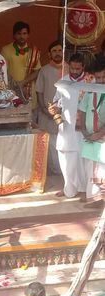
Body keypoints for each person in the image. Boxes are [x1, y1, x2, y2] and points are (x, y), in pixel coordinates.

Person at [49, 53, 90, 198]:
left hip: (83, 126)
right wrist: (54, 108)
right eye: (72, 68)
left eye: (77, 68)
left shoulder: (89, 81)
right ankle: (69, 189)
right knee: (66, 159)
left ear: (83, 67)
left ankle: (85, 189)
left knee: (82, 159)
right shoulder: (63, 82)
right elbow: (56, 101)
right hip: (66, 126)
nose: (74, 71)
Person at [36, 40, 67, 175]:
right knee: (48, 144)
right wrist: (43, 108)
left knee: (62, 144)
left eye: (59, 50)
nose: (57, 53)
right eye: (54, 51)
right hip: (46, 113)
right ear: (49, 54)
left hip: (65, 114)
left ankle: (61, 171)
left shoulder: (69, 69)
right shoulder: (44, 70)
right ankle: (50, 171)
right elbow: (39, 91)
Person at [78, 54, 105, 208]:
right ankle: (94, 198)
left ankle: (101, 199)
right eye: (98, 77)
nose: (101, 81)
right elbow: (82, 111)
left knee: (102, 170)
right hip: (89, 137)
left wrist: (99, 134)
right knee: (91, 169)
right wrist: (84, 132)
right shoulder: (90, 90)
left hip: (102, 138)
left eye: (104, 77)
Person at [1, 21, 41, 119]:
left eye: (24, 33)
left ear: (28, 35)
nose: (22, 36)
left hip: (30, 92)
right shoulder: (6, 50)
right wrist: (16, 85)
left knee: (30, 123)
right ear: (14, 35)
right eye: (19, 34)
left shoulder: (34, 51)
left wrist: (23, 83)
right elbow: (2, 71)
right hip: (12, 92)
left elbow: (37, 71)